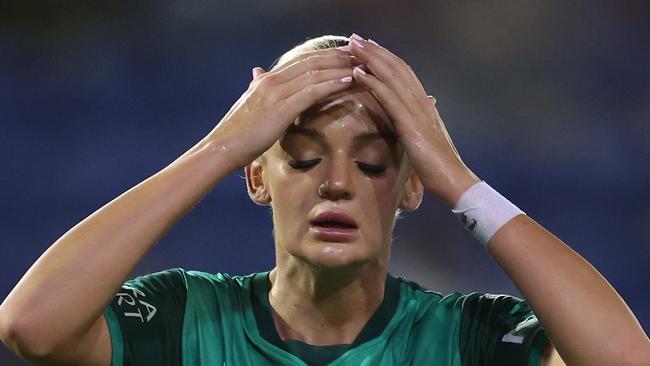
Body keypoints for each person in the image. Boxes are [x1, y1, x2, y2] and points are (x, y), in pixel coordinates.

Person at [0, 33, 648, 366]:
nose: (337, 182)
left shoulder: (469, 337)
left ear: (410, 185)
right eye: (303, 156)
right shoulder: (185, 319)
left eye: (372, 163)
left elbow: (625, 359)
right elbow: (30, 326)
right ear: (258, 179)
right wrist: (221, 148)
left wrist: (457, 177)